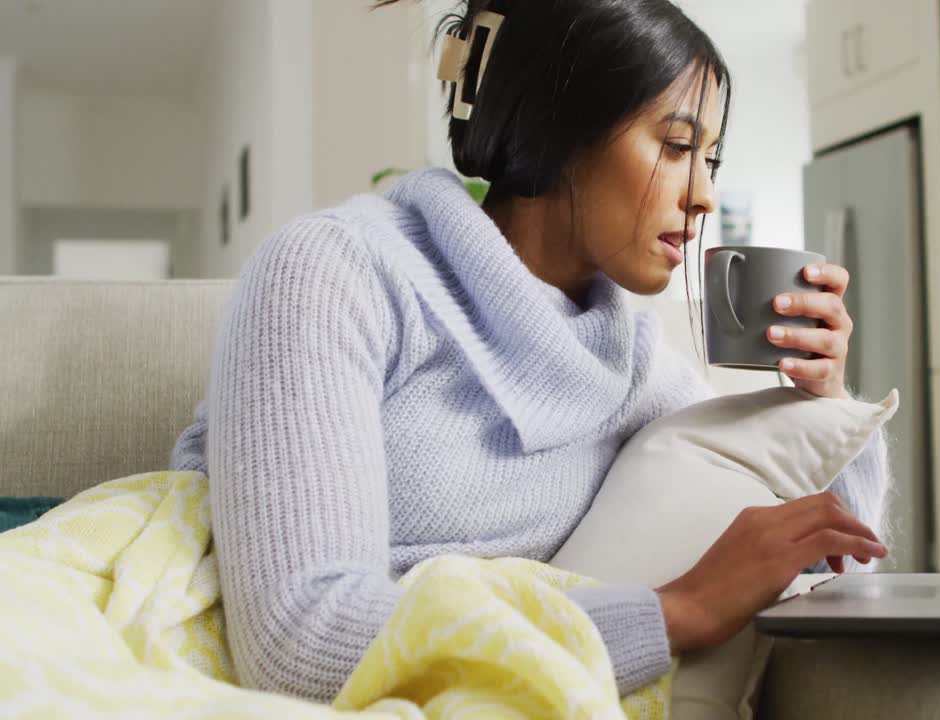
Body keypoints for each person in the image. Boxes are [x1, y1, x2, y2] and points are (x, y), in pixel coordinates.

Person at [169, 0, 893, 705]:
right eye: (676, 147)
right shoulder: (334, 272)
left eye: (711, 157)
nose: (704, 194)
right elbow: (298, 640)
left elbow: (831, 561)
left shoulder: (631, 359)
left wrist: (823, 397)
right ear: (558, 128)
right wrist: (676, 613)